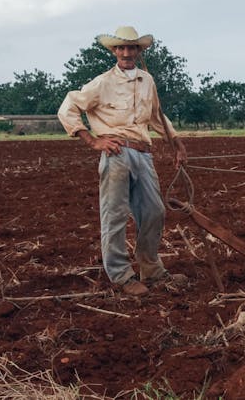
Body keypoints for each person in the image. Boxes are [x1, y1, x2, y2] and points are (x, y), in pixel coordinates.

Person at [58, 26, 189, 296]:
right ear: (114, 51)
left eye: (132, 48)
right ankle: (120, 275)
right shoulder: (102, 82)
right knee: (115, 215)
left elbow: (156, 117)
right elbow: (69, 106)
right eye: (122, 48)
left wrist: (176, 143)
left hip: (143, 153)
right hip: (116, 153)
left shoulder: (147, 81)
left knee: (154, 211)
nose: (127, 52)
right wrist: (93, 140)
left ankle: (151, 270)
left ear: (139, 51)